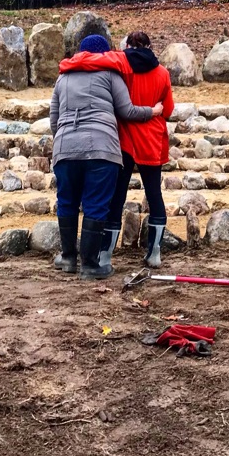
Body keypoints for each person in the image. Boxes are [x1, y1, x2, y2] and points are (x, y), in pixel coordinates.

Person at [49, 34, 163, 280]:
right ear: (104, 54)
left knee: (66, 201)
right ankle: (90, 264)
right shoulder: (111, 74)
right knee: (96, 204)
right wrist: (152, 110)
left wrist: (65, 141)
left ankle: (68, 258)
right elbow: (127, 110)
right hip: (102, 149)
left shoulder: (63, 77)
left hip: (65, 148)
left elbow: (54, 119)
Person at [102, 31, 174, 268]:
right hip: (152, 138)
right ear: (150, 45)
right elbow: (168, 110)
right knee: (154, 194)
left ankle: (105, 255)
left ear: (128, 45)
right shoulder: (162, 73)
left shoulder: (122, 69)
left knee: (117, 196)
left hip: (125, 139)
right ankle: (154, 253)